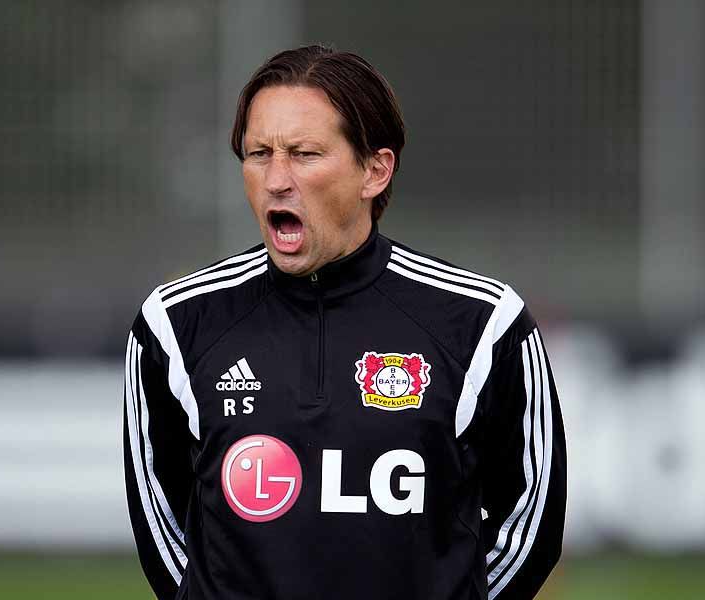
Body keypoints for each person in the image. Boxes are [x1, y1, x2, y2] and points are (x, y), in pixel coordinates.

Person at [122, 44, 565, 600]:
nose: (277, 179)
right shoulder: (176, 325)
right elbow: (163, 529)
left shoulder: (481, 324)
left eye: (304, 154)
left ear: (375, 170)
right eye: (259, 153)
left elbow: (531, 526)